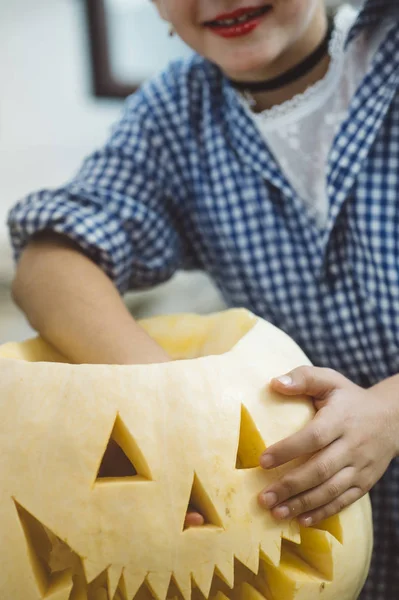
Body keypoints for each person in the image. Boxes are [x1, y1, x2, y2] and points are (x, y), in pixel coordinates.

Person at [7, 0, 399, 597]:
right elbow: (51, 260)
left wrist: (390, 411)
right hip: (316, 533)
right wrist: (165, 416)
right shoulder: (174, 115)